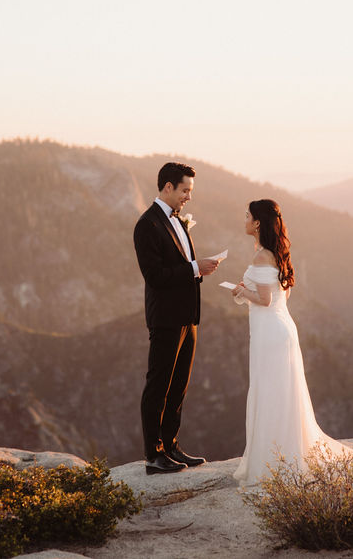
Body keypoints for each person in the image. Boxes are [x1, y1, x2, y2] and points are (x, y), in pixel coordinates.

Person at [230, 199, 353, 487]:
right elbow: (283, 296)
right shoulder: (276, 253)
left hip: (269, 334)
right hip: (281, 328)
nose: (243, 219)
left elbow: (265, 299)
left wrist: (241, 291)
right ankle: (284, 456)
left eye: (247, 215)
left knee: (270, 394)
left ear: (257, 223)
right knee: (282, 395)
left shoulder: (261, 257)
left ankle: (270, 464)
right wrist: (247, 292)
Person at [133, 162, 220, 475]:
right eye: (185, 190)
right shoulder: (147, 225)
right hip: (166, 319)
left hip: (187, 317)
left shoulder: (178, 222)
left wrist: (196, 267)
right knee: (158, 385)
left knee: (179, 385)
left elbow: (179, 264)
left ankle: (171, 446)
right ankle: (153, 455)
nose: (188, 197)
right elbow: (154, 276)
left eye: (190, 191)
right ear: (167, 187)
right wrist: (196, 269)